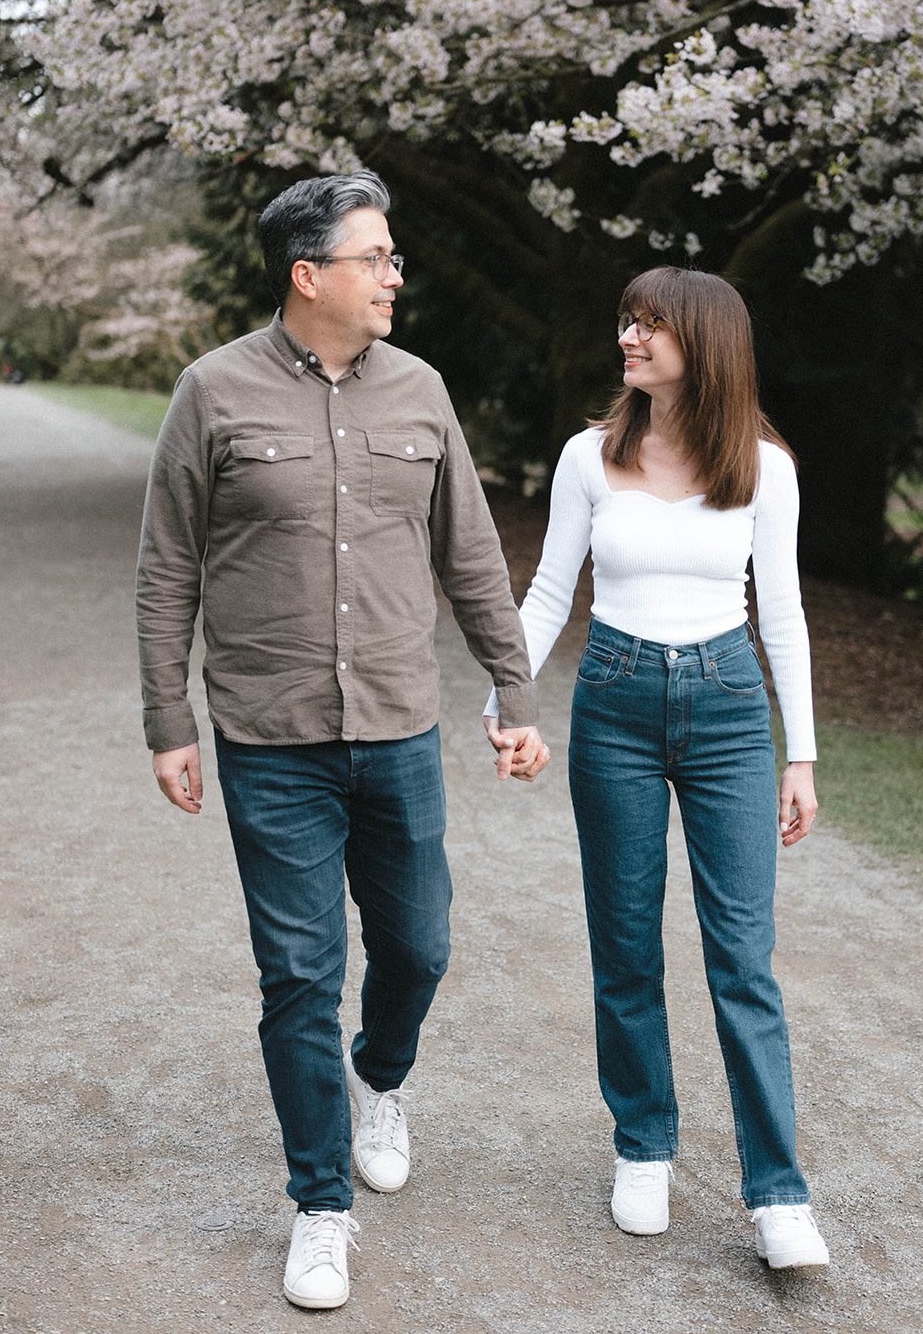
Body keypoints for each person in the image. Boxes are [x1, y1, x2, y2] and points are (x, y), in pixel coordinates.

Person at [136, 171, 549, 1311]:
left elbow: (469, 551)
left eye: (396, 256)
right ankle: (321, 1206)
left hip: (400, 729)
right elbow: (168, 565)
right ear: (308, 273)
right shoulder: (211, 393)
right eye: (376, 257)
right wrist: (167, 718)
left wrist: (513, 690)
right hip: (268, 740)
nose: (395, 275)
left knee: (418, 946)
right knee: (298, 976)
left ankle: (382, 1076)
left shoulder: (422, 392)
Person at [485, 265, 829, 1270]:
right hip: (616, 703)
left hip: (727, 709)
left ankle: (778, 1194)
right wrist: (508, 704)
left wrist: (798, 753)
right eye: (626, 321)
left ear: (705, 345)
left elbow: (786, 618)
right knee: (626, 941)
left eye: (649, 326)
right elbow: (548, 591)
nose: (628, 338)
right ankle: (644, 1144)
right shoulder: (589, 457)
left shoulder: (765, 467)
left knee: (742, 960)